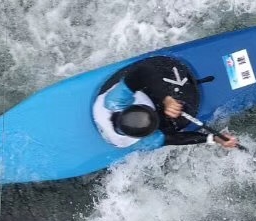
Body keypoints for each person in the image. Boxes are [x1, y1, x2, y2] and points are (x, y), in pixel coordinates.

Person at [92, 55, 241, 150]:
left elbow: (143, 71)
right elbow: (175, 138)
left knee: (143, 80)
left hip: (145, 92)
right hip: (155, 101)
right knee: (171, 127)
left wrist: (166, 98)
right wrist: (214, 138)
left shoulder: (113, 102)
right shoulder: (146, 141)